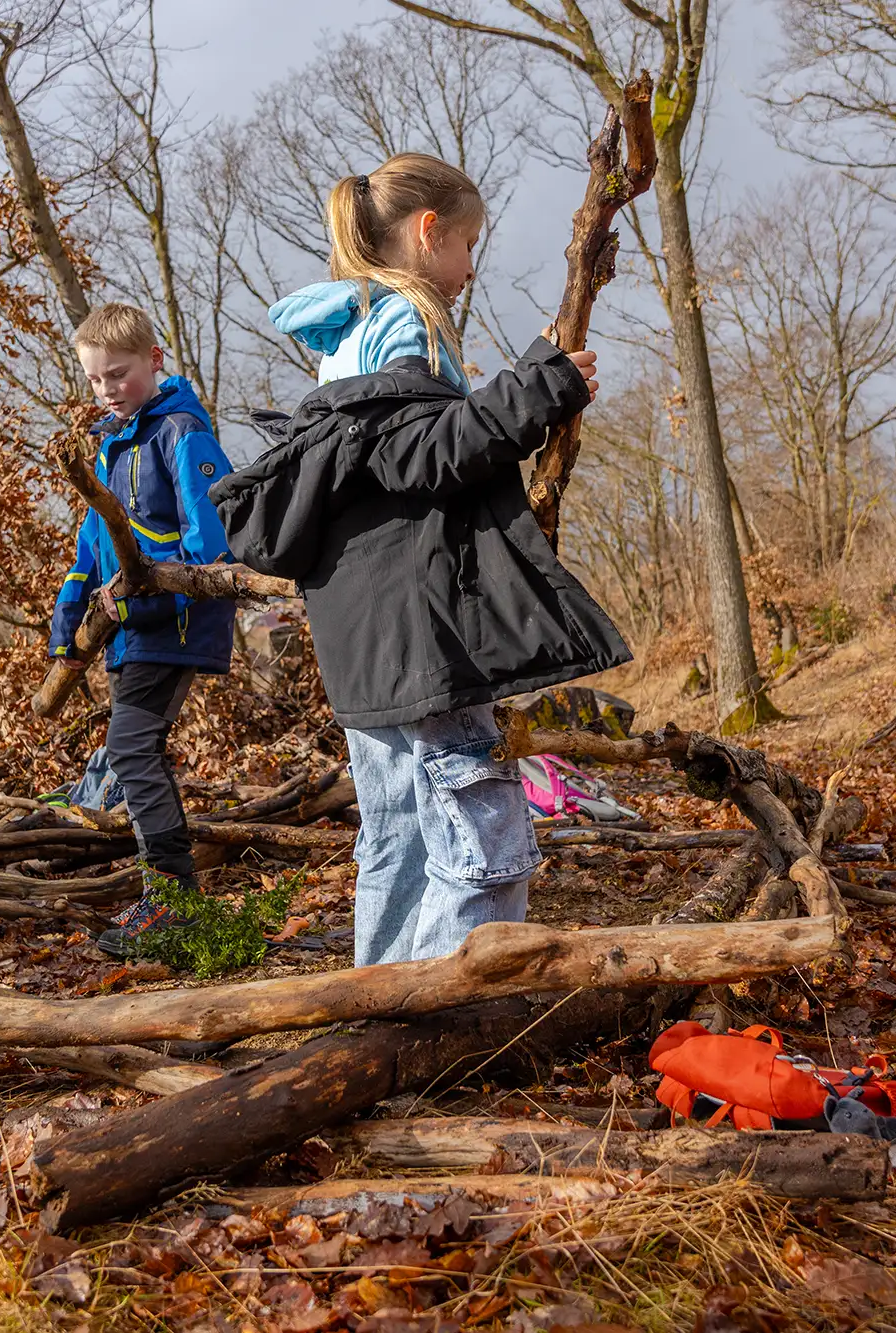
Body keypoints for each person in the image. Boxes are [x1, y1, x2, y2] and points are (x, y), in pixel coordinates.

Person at [211, 153, 630, 967]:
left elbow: (388, 462)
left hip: (367, 648)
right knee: (482, 833)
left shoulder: (345, 338)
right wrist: (538, 389)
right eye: (469, 243)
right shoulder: (409, 316)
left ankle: (379, 1013)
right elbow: (422, 452)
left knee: (400, 837)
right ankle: (435, 1020)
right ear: (428, 232)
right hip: (422, 635)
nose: (473, 268)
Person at [47, 303, 237, 958]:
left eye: (119, 375)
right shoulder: (108, 447)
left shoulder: (181, 434)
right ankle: (171, 901)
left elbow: (211, 552)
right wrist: (69, 623)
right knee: (134, 752)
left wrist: (145, 596)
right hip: (126, 631)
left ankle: (176, 905)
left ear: (155, 361)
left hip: (172, 625)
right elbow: (92, 548)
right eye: (96, 380)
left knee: (131, 751)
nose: (107, 390)